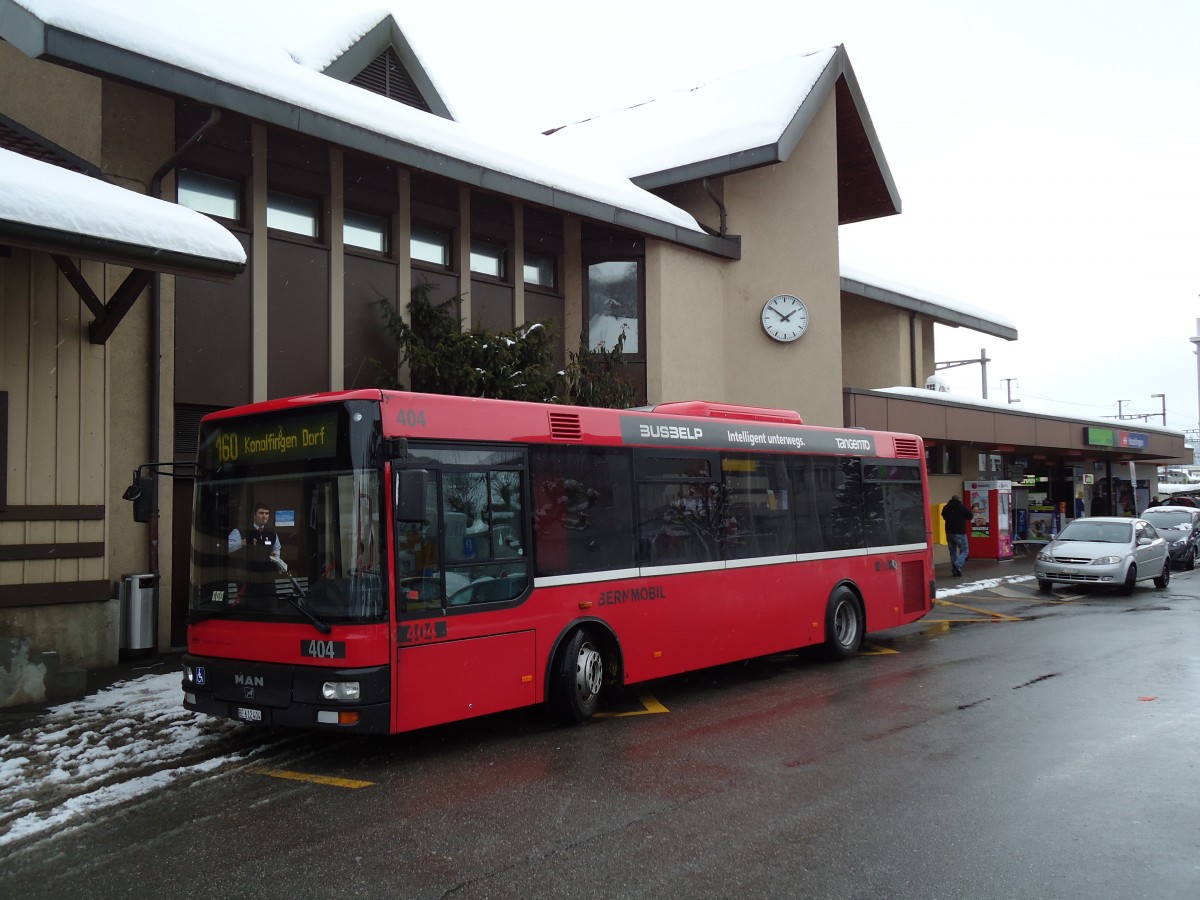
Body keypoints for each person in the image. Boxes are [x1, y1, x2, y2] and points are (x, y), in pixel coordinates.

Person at [228, 503, 284, 598]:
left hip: (267, 579)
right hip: (247, 579)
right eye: (261, 513)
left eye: (267, 513)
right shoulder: (240, 531)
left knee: (271, 606)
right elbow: (229, 547)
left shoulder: (272, 533)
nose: (264, 516)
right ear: (254, 515)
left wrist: (276, 555)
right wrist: (244, 542)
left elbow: (277, 549)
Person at [941, 494, 972, 578]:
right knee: (965, 550)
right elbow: (970, 516)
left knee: (953, 551)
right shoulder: (962, 507)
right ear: (959, 500)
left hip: (949, 533)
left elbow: (943, 516)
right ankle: (957, 564)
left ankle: (955, 571)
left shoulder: (946, 507)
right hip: (960, 533)